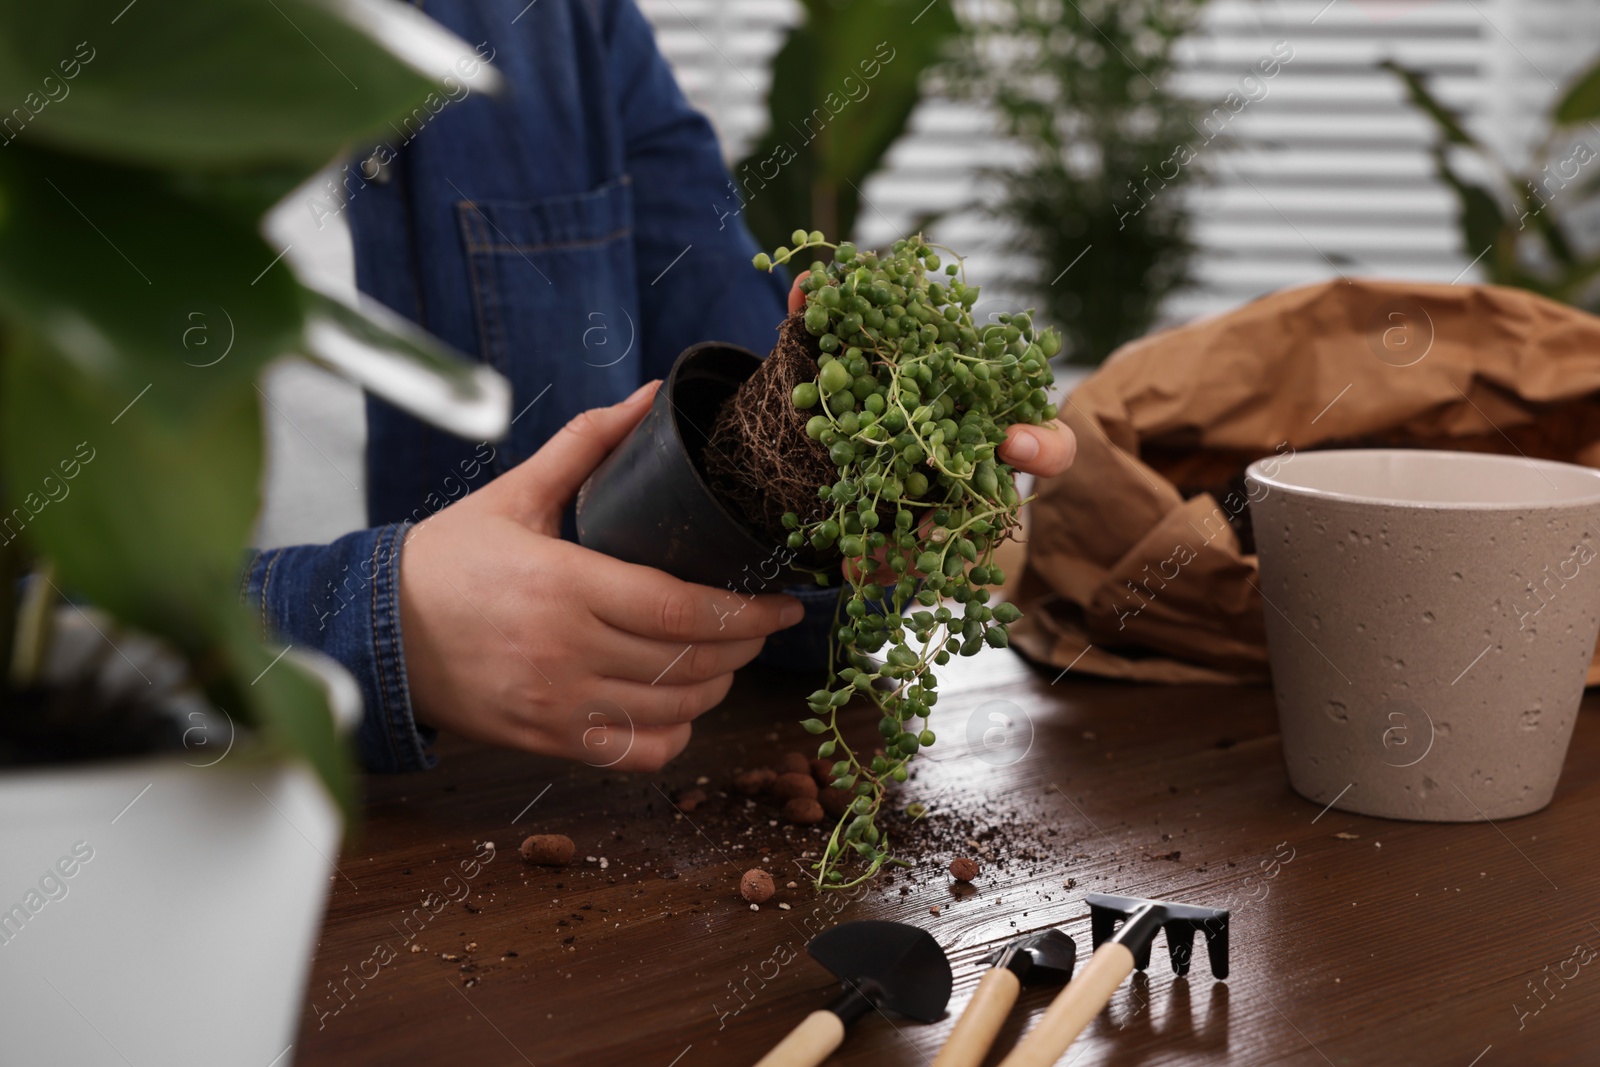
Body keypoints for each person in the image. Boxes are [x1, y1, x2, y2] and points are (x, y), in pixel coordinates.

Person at [244, 0, 1075, 776]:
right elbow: (109, 642)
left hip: (582, 817)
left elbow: (734, 378)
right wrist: (382, 624)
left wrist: (879, 483)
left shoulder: (568, 22)